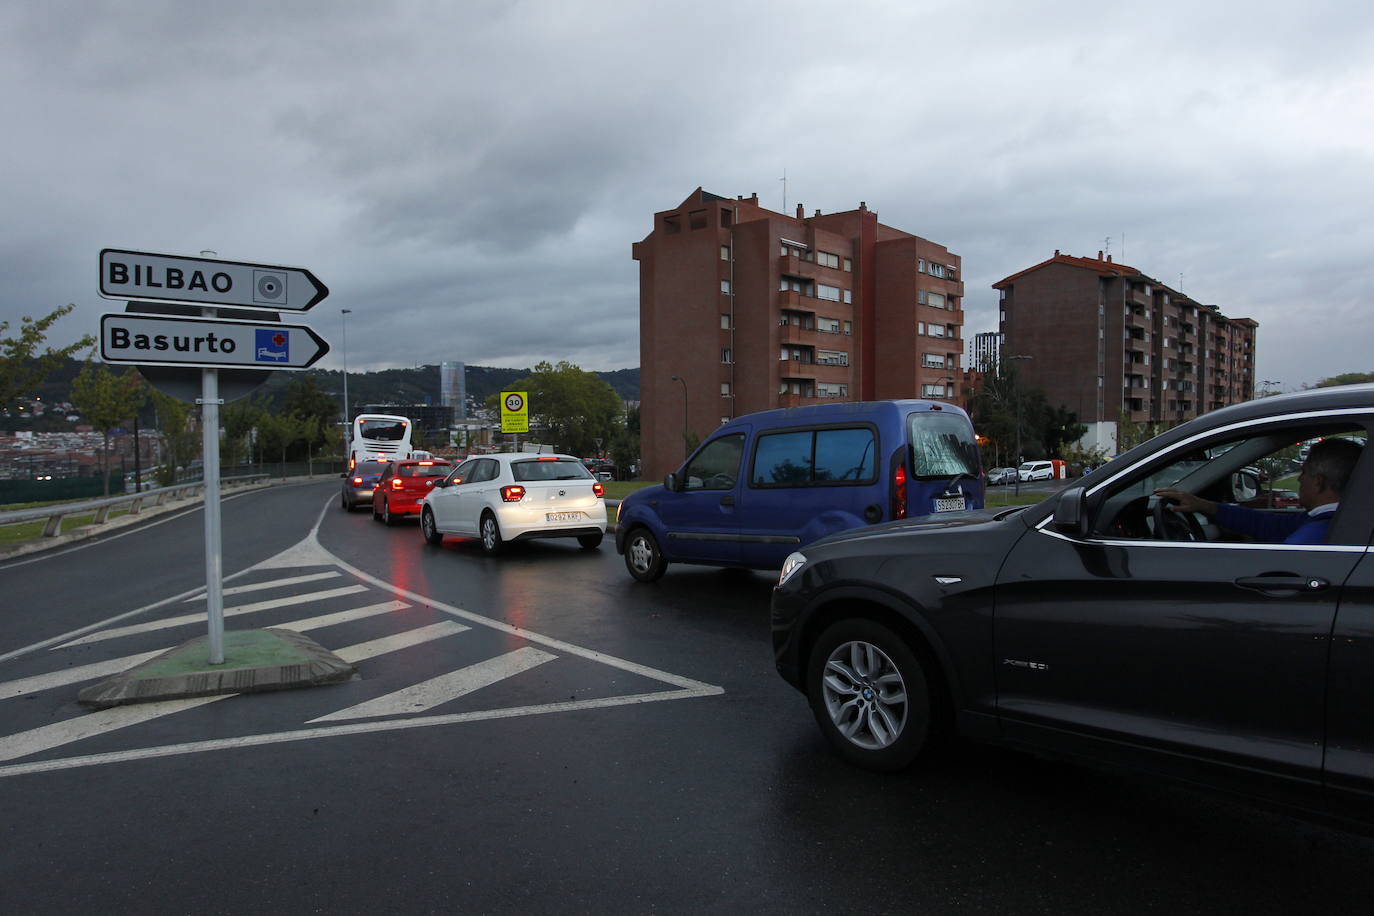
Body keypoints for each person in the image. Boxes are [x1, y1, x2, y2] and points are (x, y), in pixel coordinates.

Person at [1154, 437, 1362, 545]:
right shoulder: (1337, 520)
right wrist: (1206, 506)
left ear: (1319, 482)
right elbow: (1270, 524)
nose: (1299, 478)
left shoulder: (1313, 537)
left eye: (1304, 472)